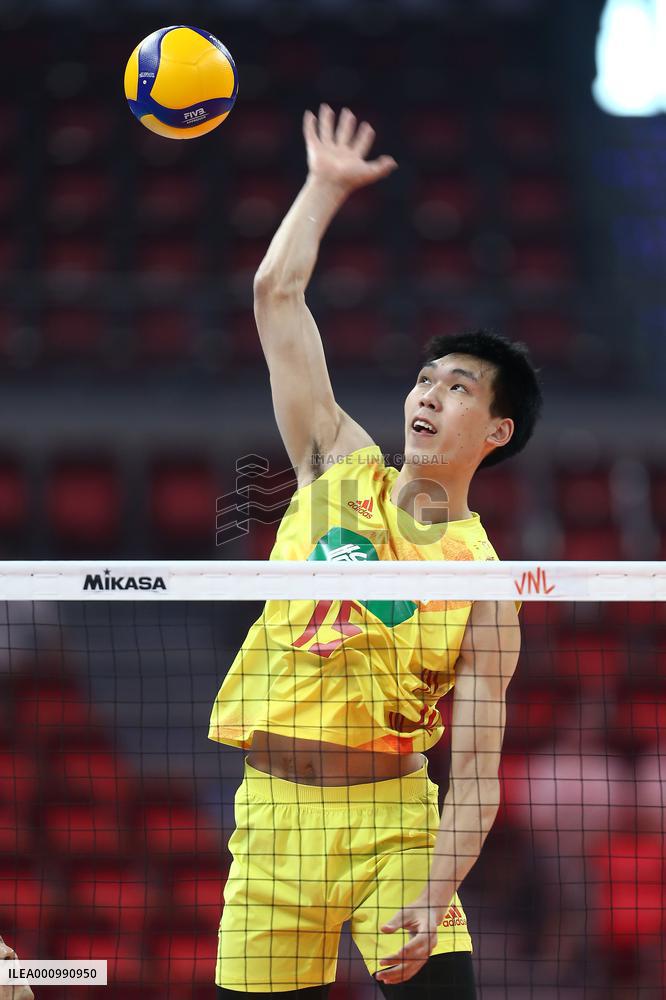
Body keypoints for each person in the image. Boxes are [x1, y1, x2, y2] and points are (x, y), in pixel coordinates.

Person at [209, 104, 542, 998]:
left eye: (459, 387)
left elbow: (474, 777)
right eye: (426, 378)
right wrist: (322, 188)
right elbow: (275, 297)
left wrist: (436, 895)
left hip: (394, 827)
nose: (429, 393)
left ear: (496, 430)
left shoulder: (485, 585)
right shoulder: (334, 466)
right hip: (271, 823)